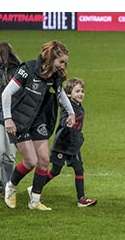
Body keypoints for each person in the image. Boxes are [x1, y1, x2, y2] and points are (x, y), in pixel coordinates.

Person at [2, 41, 75, 211]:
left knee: (43, 161)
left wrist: (70, 112)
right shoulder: (27, 68)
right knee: (30, 161)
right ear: (51, 59)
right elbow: (7, 93)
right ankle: (10, 187)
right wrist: (8, 119)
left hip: (39, 120)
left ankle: (35, 201)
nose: (64, 65)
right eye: (61, 61)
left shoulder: (55, 76)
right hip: (19, 119)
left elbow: (60, 94)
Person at [42, 77, 97, 207]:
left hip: (74, 146)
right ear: (68, 94)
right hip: (62, 145)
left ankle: (81, 199)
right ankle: (35, 188)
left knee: (79, 169)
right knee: (55, 171)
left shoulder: (80, 107)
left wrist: (79, 137)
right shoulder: (68, 108)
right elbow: (63, 121)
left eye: (82, 91)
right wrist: (67, 124)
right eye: (77, 91)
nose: (81, 94)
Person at [0, 42, 21, 198]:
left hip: (12, 119)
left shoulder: (18, 73)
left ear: (2, 54)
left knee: (10, 157)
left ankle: (6, 187)